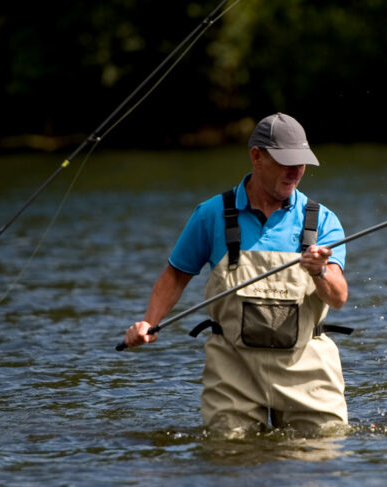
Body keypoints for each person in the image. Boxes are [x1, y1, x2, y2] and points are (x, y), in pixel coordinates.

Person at [123, 112, 351, 436]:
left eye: (301, 162)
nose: (295, 172)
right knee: (229, 459)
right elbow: (175, 276)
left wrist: (319, 273)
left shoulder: (323, 220)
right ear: (256, 156)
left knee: (318, 463)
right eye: (286, 161)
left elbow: (338, 297)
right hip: (233, 371)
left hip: (306, 369)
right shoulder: (211, 215)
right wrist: (149, 322)